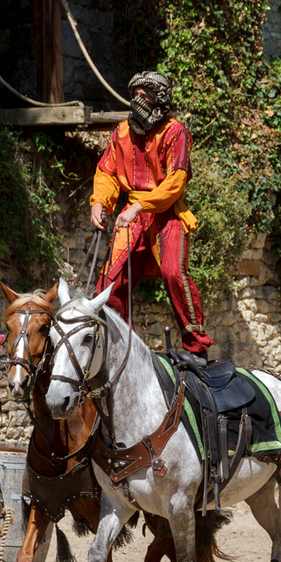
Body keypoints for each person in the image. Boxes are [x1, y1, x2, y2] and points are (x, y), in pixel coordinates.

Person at [90, 70, 213, 358]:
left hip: (167, 215)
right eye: (134, 96)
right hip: (132, 217)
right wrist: (100, 203)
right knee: (107, 285)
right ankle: (126, 348)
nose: (136, 102)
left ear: (159, 100)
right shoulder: (121, 132)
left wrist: (139, 206)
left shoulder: (176, 132)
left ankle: (196, 346)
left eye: (143, 97)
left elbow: (176, 181)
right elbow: (106, 171)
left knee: (173, 273)